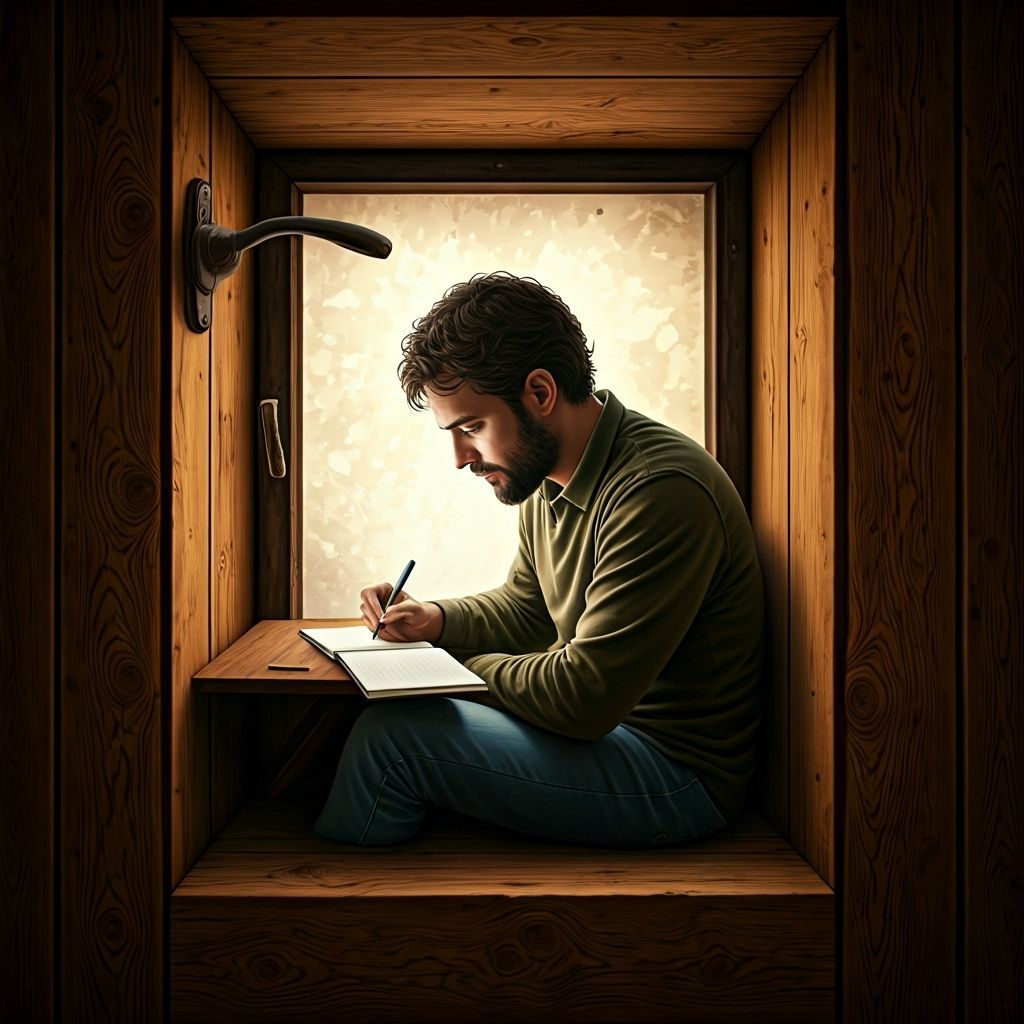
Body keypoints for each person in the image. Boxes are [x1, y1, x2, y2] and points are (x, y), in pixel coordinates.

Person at [314, 271, 764, 848]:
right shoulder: (548, 476)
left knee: (393, 741)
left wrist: (446, 673)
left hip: (673, 773)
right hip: (609, 740)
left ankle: (333, 923)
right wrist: (437, 621)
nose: (459, 458)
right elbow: (529, 610)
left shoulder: (659, 490)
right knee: (386, 730)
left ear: (541, 393)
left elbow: (584, 698)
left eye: (472, 427)